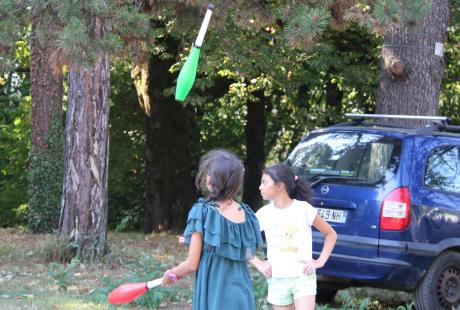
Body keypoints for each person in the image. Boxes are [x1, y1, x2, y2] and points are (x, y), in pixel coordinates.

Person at [162, 149, 263, 310]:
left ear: (210, 180)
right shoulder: (246, 214)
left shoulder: (202, 211)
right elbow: (240, 250)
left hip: (214, 291)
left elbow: (191, 264)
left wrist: (172, 273)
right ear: (236, 184)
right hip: (241, 293)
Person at [250, 163, 337, 310]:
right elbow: (240, 240)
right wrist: (258, 263)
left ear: (280, 186)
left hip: (304, 278)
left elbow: (331, 234)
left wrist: (320, 261)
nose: (260, 187)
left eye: (264, 182)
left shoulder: (303, 209)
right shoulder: (264, 214)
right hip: (277, 280)